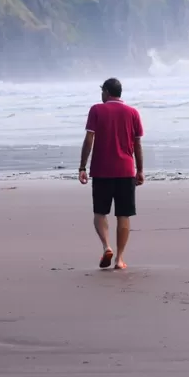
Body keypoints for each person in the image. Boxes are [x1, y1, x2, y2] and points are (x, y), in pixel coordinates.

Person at [78, 78, 144, 270]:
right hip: (125, 170)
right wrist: (139, 170)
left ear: (106, 92)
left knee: (100, 212)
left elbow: (89, 138)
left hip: (101, 170)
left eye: (102, 92)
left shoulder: (97, 110)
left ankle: (107, 247)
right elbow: (138, 144)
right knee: (123, 215)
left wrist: (82, 166)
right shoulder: (133, 112)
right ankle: (120, 259)